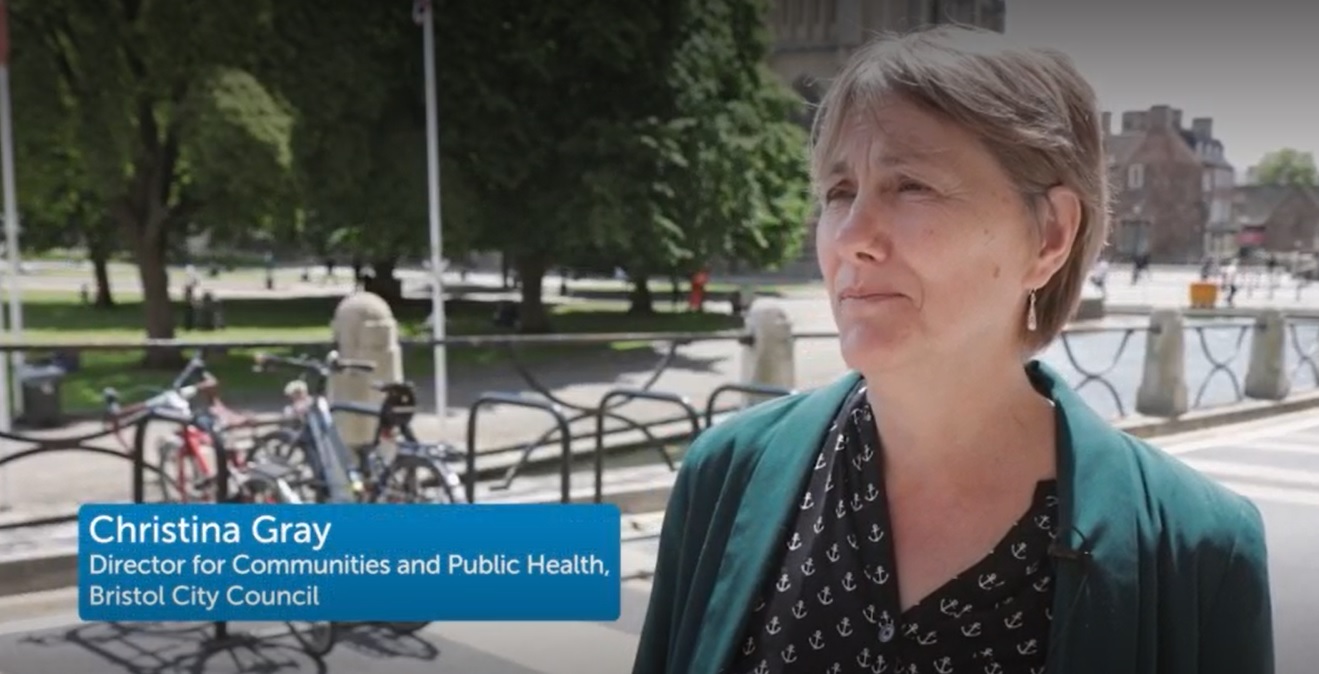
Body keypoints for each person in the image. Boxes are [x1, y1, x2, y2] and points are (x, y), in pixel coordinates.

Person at [632, 25, 1272, 674]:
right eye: (838, 192)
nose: (852, 235)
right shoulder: (725, 476)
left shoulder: (1198, 552)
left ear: (1049, 235)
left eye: (910, 185)